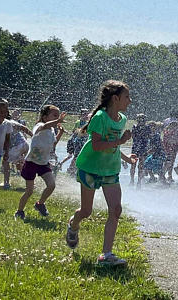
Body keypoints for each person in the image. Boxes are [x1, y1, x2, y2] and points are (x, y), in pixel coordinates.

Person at [65, 80, 137, 266]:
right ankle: (73, 224)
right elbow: (97, 145)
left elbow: (112, 144)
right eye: (127, 97)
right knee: (86, 211)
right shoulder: (99, 117)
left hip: (110, 170)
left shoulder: (121, 119)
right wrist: (121, 142)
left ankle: (106, 255)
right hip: (90, 168)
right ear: (115, 98)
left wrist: (126, 157)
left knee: (116, 209)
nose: (130, 101)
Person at [14, 105, 66, 220]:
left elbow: (53, 144)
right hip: (31, 162)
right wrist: (58, 121)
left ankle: (40, 204)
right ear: (44, 116)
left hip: (43, 163)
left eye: (58, 116)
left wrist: (60, 133)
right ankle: (19, 211)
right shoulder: (39, 126)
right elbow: (42, 127)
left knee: (51, 185)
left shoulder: (52, 130)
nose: (57, 118)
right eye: (54, 115)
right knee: (29, 191)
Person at [0, 110, 33, 189]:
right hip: (24, 145)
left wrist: (34, 137)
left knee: (5, 162)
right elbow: (24, 128)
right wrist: (33, 137)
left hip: (18, 146)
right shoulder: (8, 123)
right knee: (19, 165)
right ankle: (30, 184)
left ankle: (6, 183)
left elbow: (24, 128)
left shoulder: (8, 122)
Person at [162, 111, 178, 182]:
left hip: (167, 141)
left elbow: (164, 129)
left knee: (169, 159)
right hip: (176, 141)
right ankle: (176, 167)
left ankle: (169, 175)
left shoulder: (166, 120)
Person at [130, 113, 151, 187]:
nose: (141, 120)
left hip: (141, 148)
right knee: (134, 165)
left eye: (142, 119)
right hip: (138, 147)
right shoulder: (135, 127)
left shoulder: (147, 127)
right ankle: (133, 180)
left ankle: (138, 181)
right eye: (140, 119)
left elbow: (148, 136)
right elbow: (133, 136)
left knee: (139, 166)